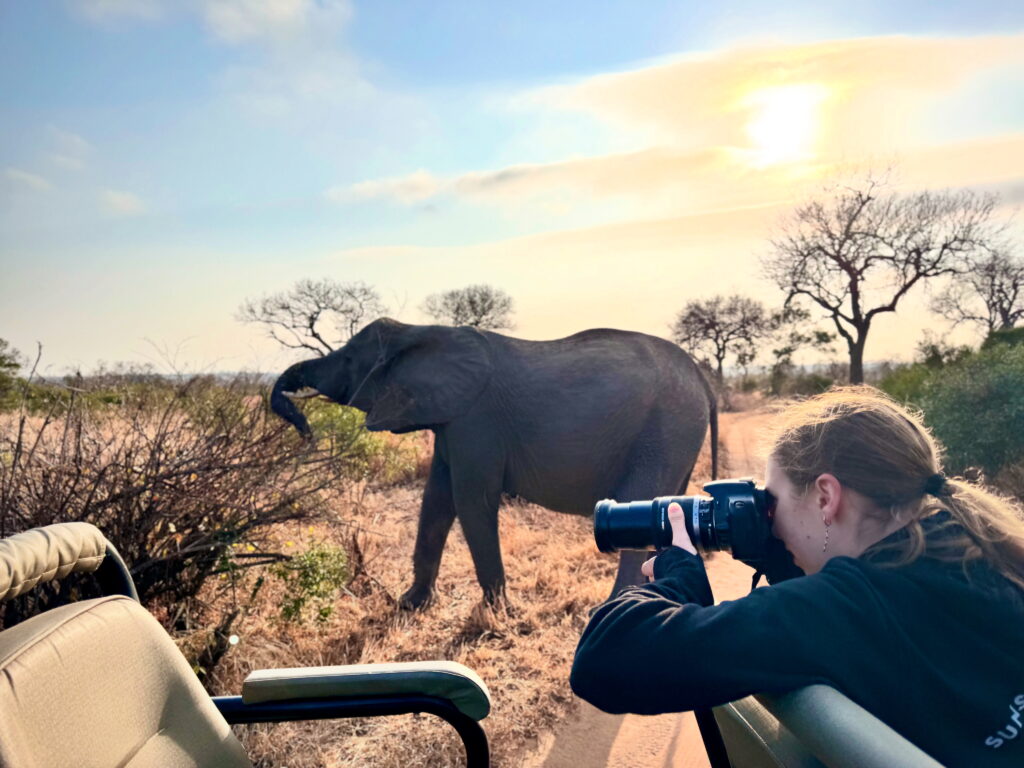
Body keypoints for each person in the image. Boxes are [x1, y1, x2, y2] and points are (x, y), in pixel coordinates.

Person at [570, 386, 1024, 767]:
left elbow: (603, 658)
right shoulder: (975, 546)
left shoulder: (847, 606)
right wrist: (782, 559)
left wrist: (678, 574)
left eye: (774, 504)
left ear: (826, 496)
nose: (771, 520)